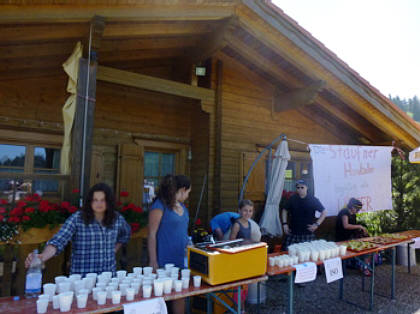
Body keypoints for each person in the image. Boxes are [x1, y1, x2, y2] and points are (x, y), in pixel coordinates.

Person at [25, 183, 131, 276]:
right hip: (81, 283)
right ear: (89, 201)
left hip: (108, 281)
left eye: (103, 200)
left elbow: (126, 234)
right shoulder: (77, 219)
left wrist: (115, 249)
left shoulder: (117, 219)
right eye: (95, 200)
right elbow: (58, 241)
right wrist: (43, 256)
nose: (99, 204)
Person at [148, 174, 190, 314]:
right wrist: (153, 261)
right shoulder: (160, 205)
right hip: (163, 260)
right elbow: (152, 234)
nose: (188, 195)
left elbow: (183, 231)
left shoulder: (183, 207)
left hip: (180, 259)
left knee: (180, 295)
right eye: (188, 192)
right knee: (162, 299)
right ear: (183, 189)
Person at [281, 179, 327, 249]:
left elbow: (324, 212)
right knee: (287, 254)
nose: (300, 189)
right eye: (298, 187)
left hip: (307, 233)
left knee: (307, 255)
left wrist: (317, 224)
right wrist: (284, 224)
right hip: (293, 232)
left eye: (302, 187)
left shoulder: (313, 199)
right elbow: (284, 210)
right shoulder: (292, 198)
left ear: (307, 188)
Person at [336, 197, 371, 276]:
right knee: (363, 248)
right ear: (352, 207)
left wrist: (361, 232)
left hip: (350, 239)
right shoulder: (344, 212)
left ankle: (364, 267)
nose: (358, 211)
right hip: (342, 239)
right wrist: (360, 226)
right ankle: (362, 267)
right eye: (357, 209)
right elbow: (346, 226)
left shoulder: (353, 215)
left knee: (367, 248)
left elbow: (353, 227)